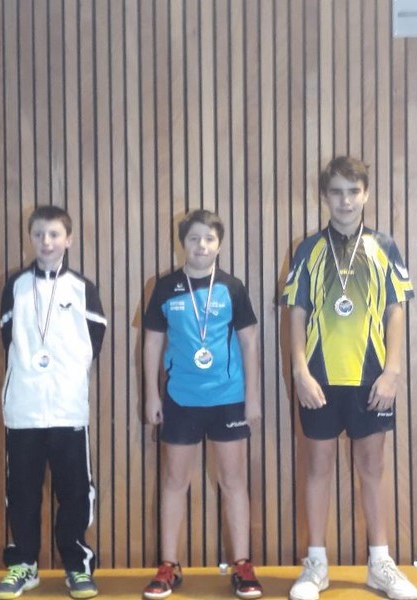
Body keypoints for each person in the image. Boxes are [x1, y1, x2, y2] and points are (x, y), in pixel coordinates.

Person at [281, 156, 417, 600]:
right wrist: (299, 371)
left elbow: (396, 311)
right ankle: (316, 565)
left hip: (371, 379)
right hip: (319, 378)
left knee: (372, 468)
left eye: (353, 191)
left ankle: (380, 564)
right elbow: (295, 313)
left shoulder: (384, 247)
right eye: (337, 192)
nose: (345, 201)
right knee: (317, 468)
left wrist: (392, 371)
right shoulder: (307, 249)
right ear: (324, 196)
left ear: (366, 194)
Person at [142, 209, 263, 600]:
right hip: (180, 399)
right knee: (175, 482)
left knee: (234, 482)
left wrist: (252, 397)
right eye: (194, 238)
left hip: (228, 398)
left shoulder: (232, 287)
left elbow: (249, 342)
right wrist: (151, 394)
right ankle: (168, 566)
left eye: (209, 239)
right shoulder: (165, 287)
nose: (201, 245)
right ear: (182, 243)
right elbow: (151, 343)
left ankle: (242, 565)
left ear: (219, 244)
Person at [0, 205, 107, 600]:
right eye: (39, 234)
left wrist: (67, 374)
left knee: (75, 491)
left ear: (68, 239)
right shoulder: (16, 286)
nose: (46, 241)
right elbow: (7, 336)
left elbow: (95, 339)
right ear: (30, 238)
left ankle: (77, 566)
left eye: (54, 234)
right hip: (24, 408)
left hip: (67, 407)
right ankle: (24, 564)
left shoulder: (82, 287)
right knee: (22, 491)